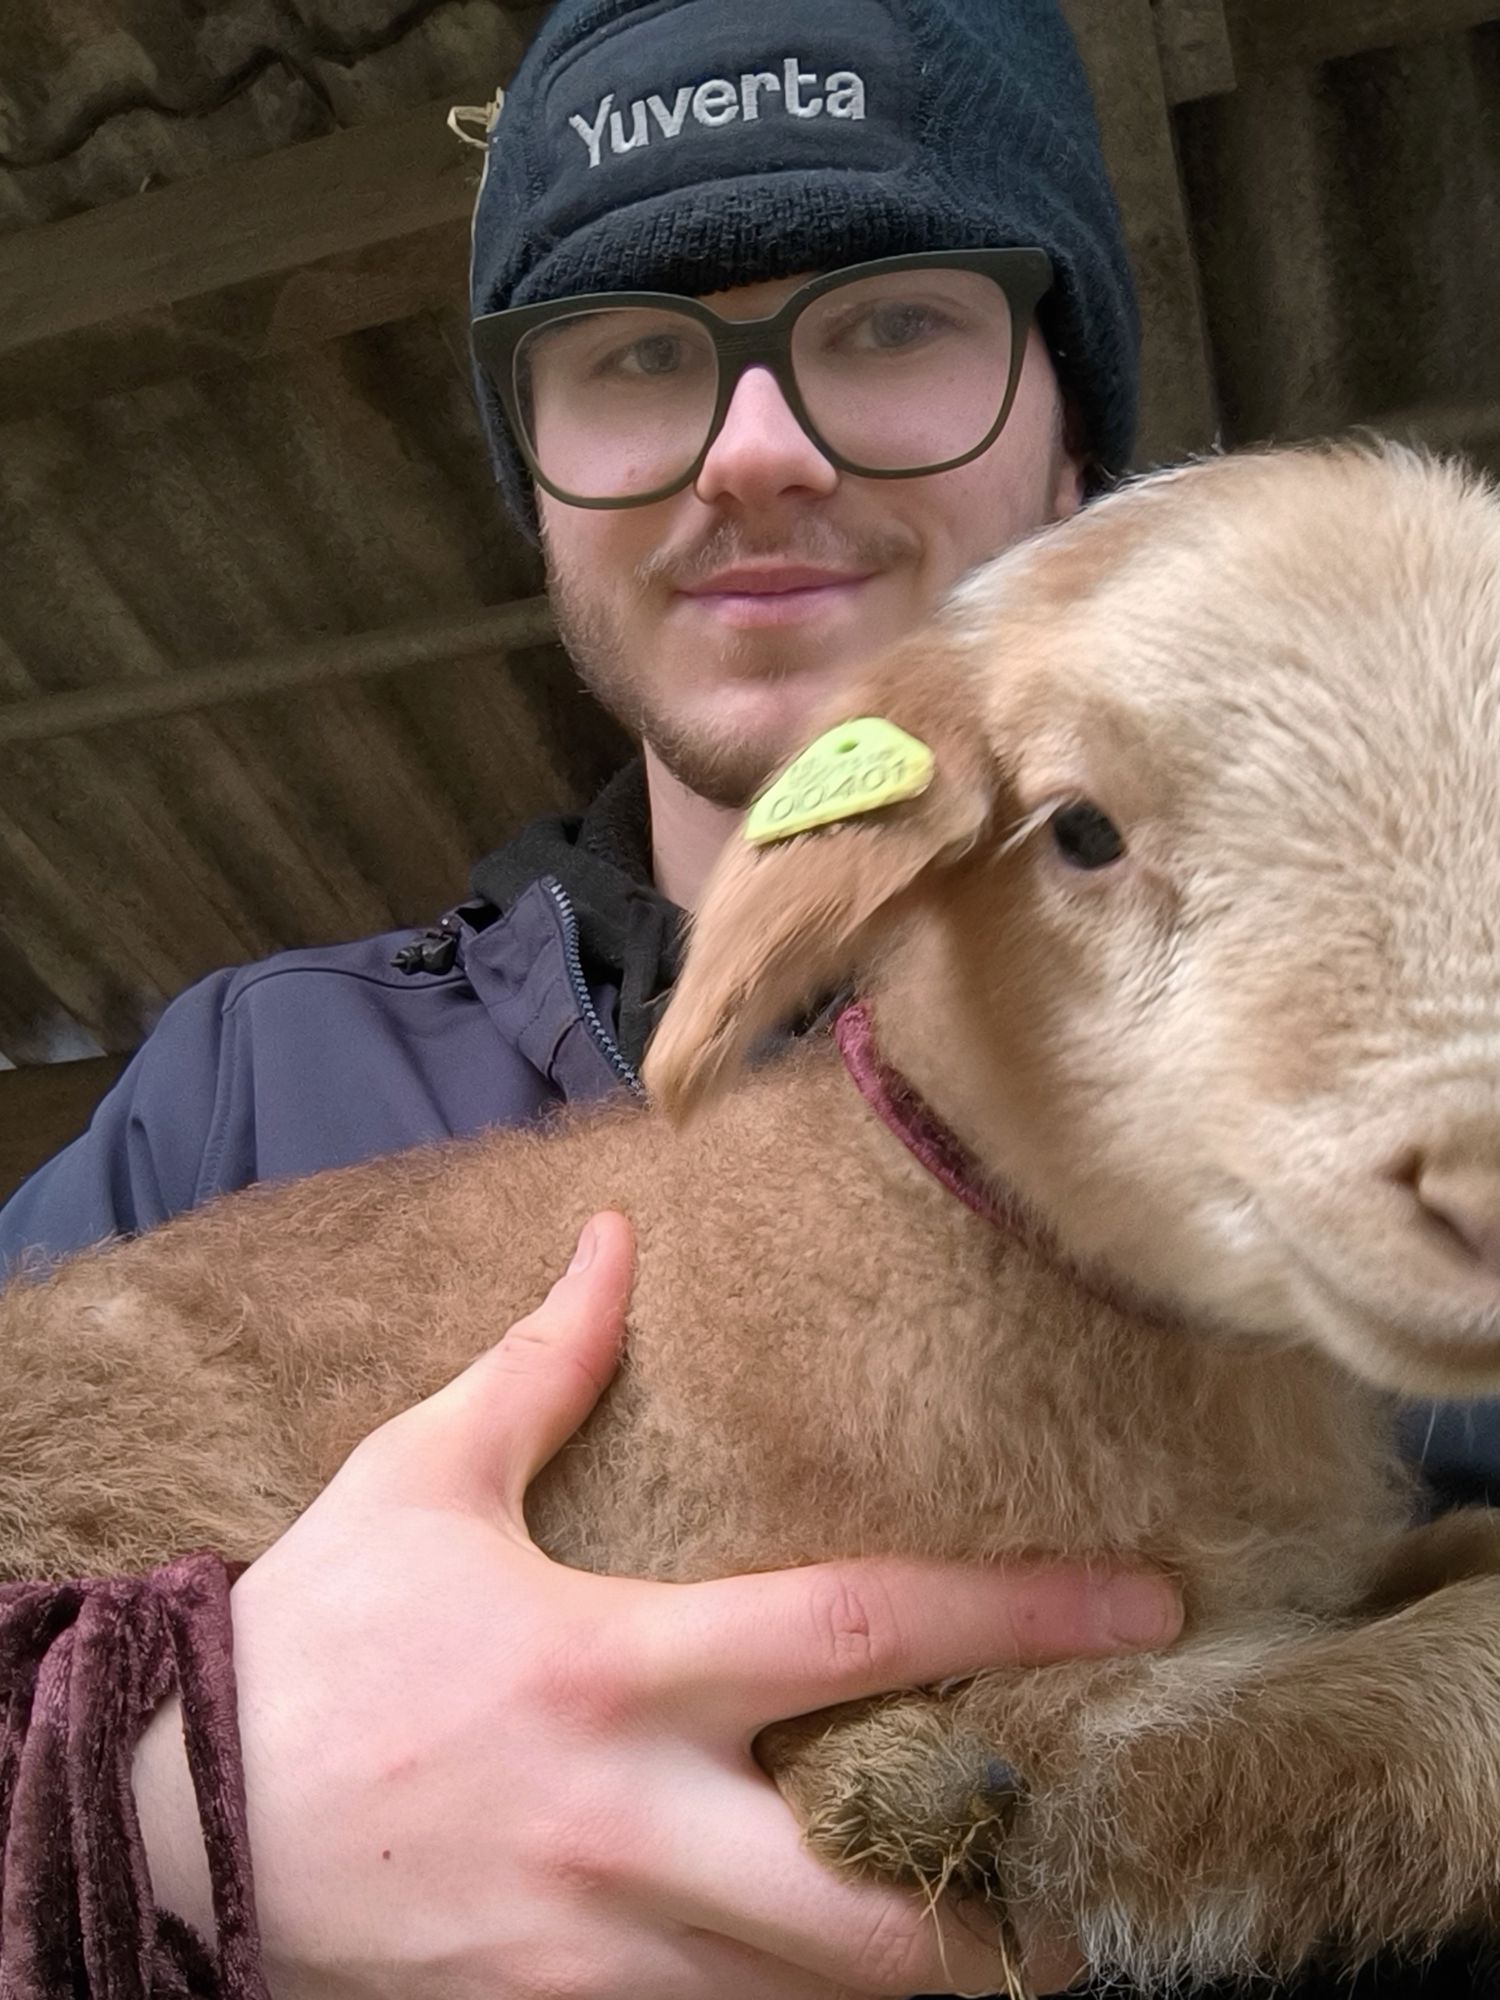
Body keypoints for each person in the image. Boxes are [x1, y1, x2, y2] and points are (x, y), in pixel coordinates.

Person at [0, 2, 1481, 1995]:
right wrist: (172, 1806)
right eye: (632, 355)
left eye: (890, 324)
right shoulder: (241, 1087)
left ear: (1071, 416)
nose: (757, 449)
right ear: (535, 470)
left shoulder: (1349, 1218)